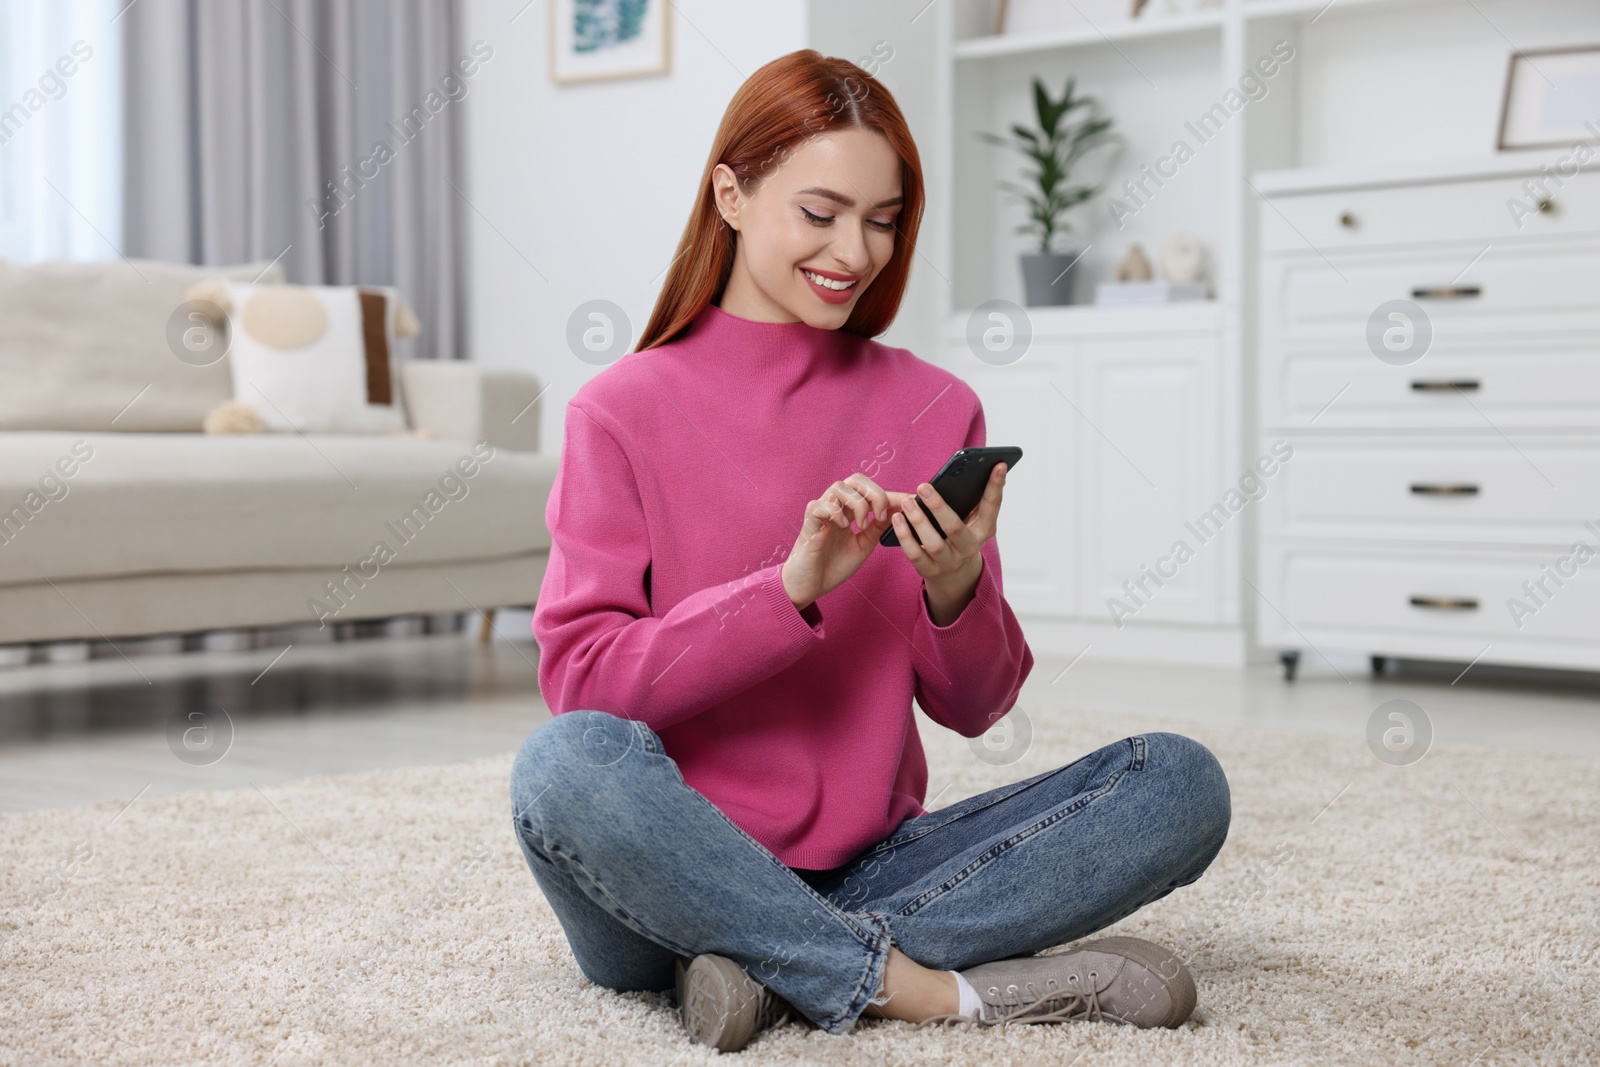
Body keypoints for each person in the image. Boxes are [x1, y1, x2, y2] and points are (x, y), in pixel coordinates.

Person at [509, 49, 1231, 1052]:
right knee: (561, 765)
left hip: (879, 860)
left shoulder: (933, 401)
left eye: (882, 219)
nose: (855, 249)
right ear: (730, 192)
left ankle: (764, 969)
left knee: (1178, 780)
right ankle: (933, 991)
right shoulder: (620, 411)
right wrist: (790, 588)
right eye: (820, 212)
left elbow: (975, 706)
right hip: (662, 880)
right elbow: (585, 688)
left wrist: (955, 585)